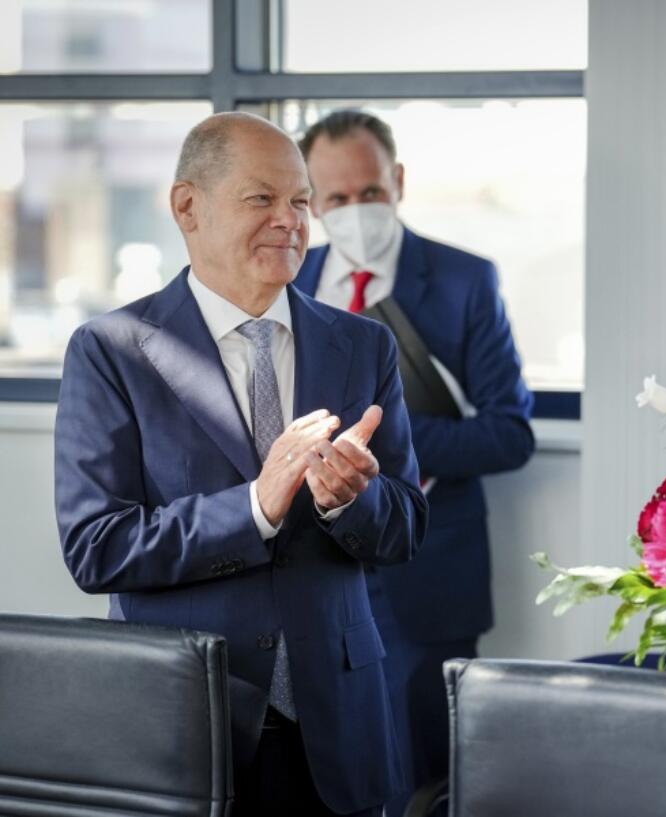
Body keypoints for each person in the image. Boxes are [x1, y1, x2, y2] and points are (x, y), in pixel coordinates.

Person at [54, 111, 429, 817]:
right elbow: (95, 548)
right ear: (187, 206)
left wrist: (352, 501)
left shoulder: (362, 346)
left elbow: (405, 526)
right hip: (184, 718)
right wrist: (255, 506)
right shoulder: (112, 350)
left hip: (339, 725)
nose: (289, 220)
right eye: (262, 199)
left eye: (299, 201)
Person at [295, 109, 535, 813]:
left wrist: (380, 446)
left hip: (429, 570)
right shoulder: (290, 279)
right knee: (329, 762)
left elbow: (509, 433)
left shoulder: (465, 281)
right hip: (313, 565)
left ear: (397, 181)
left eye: (368, 192)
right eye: (335, 199)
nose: (354, 211)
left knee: (429, 775)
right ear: (311, 200)